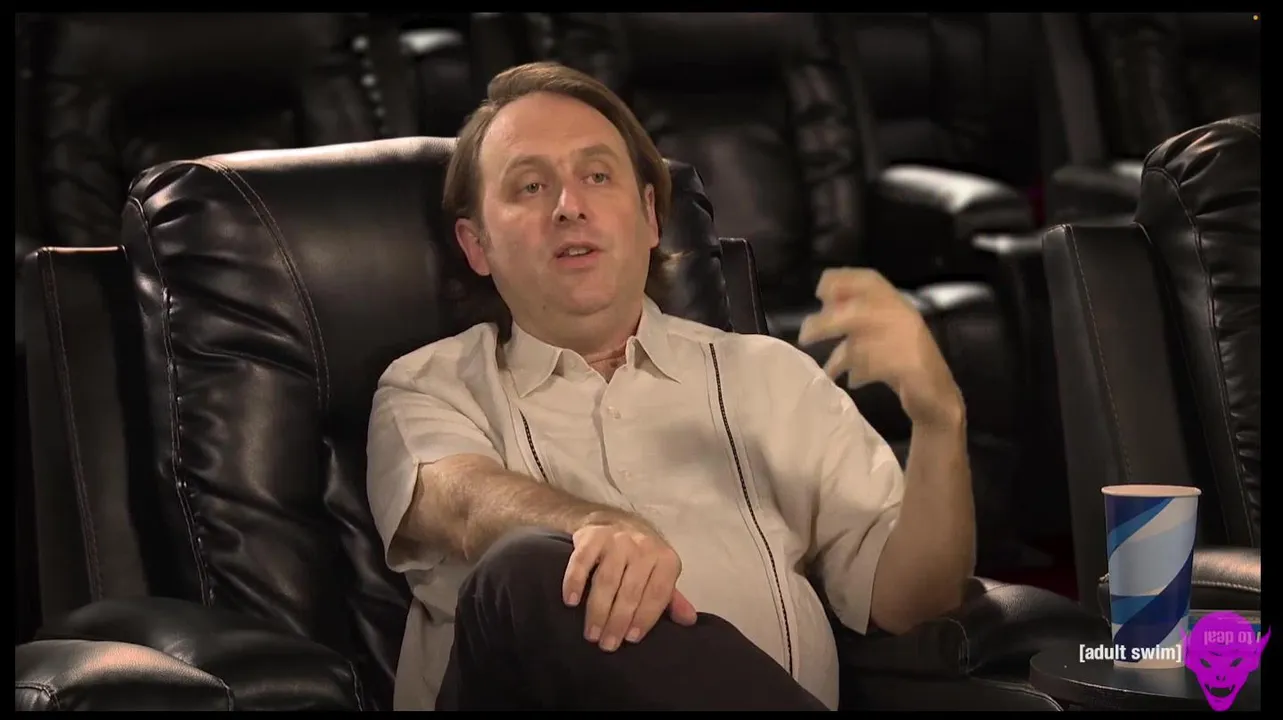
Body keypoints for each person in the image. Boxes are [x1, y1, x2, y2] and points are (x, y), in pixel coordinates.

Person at [366, 61, 976, 711]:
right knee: (529, 570)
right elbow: (460, 504)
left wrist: (940, 421)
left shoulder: (772, 376)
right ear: (475, 244)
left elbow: (910, 602)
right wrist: (594, 526)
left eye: (597, 176)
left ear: (651, 216)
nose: (569, 206)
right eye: (530, 186)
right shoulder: (429, 385)